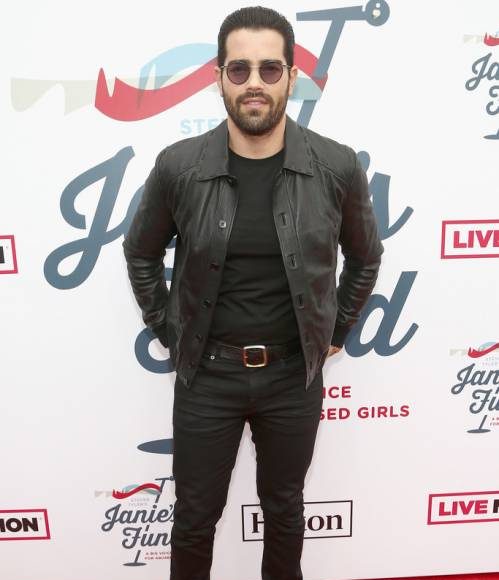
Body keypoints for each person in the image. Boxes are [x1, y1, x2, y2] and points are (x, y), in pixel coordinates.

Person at [123, 6, 383, 580]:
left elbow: (366, 257)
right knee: (194, 518)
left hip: (293, 378)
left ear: (292, 76)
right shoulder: (180, 167)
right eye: (239, 70)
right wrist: (169, 329)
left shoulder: (336, 166)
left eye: (270, 69)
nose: (255, 84)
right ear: (219, 77)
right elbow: (140, 252)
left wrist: (337, 330)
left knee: (285, 511)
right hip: (206, 377)